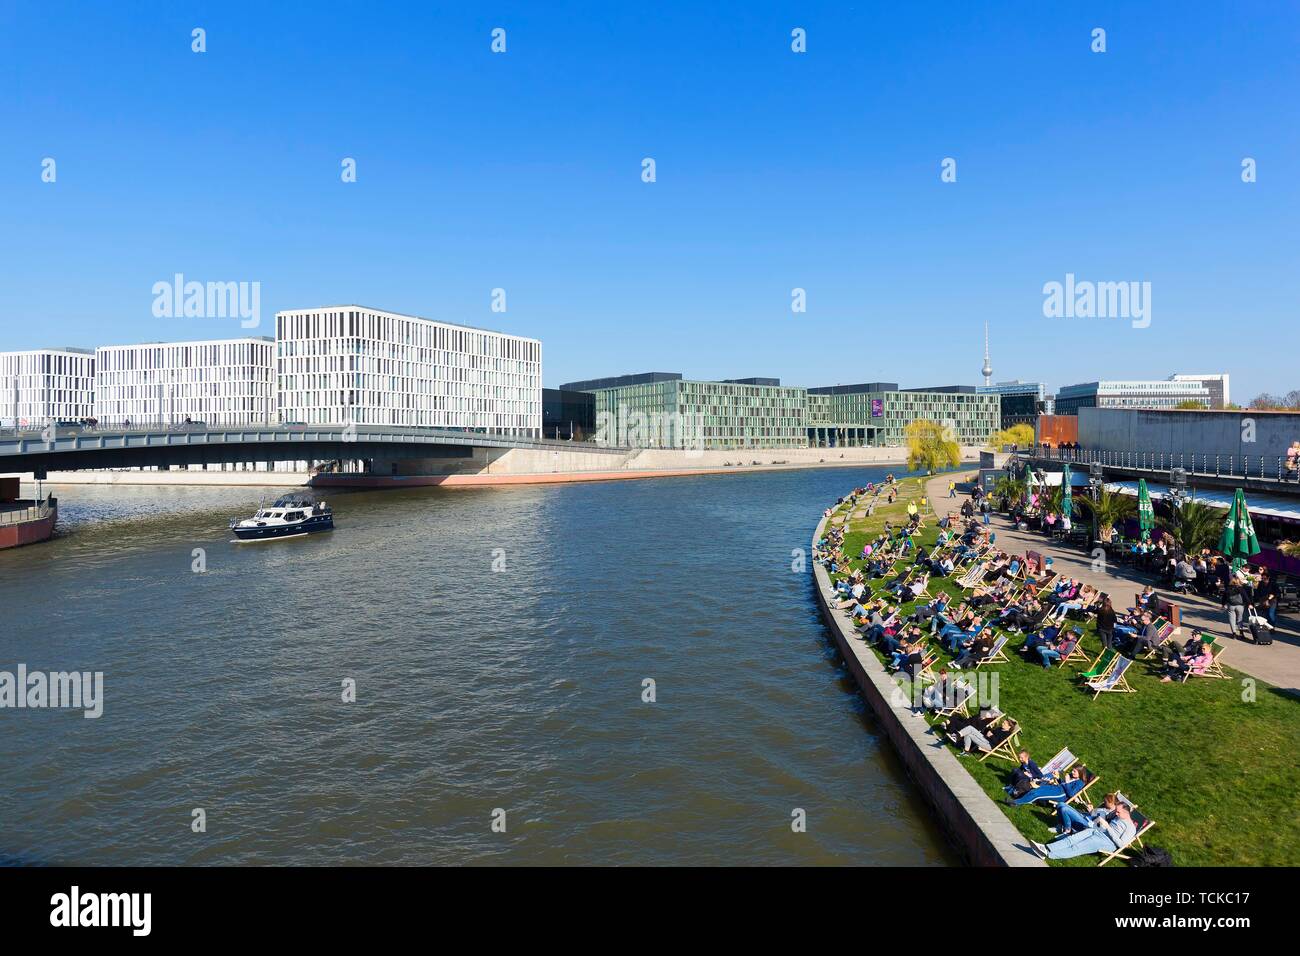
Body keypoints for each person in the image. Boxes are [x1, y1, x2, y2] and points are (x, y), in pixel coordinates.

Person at [1030, 801, 1137, 860]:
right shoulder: (1119, 816)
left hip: (1108, 843)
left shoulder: (1131, 828)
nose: (1116, 814)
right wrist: (1100, 822)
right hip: (1099, 831)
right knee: (1072, 839)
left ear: (1126, 812)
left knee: (1077, 847)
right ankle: (1046, 848)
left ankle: (1049, 855)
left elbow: (1121, 844)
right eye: (1116, 812)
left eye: (1118, 812)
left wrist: (1108, 827)